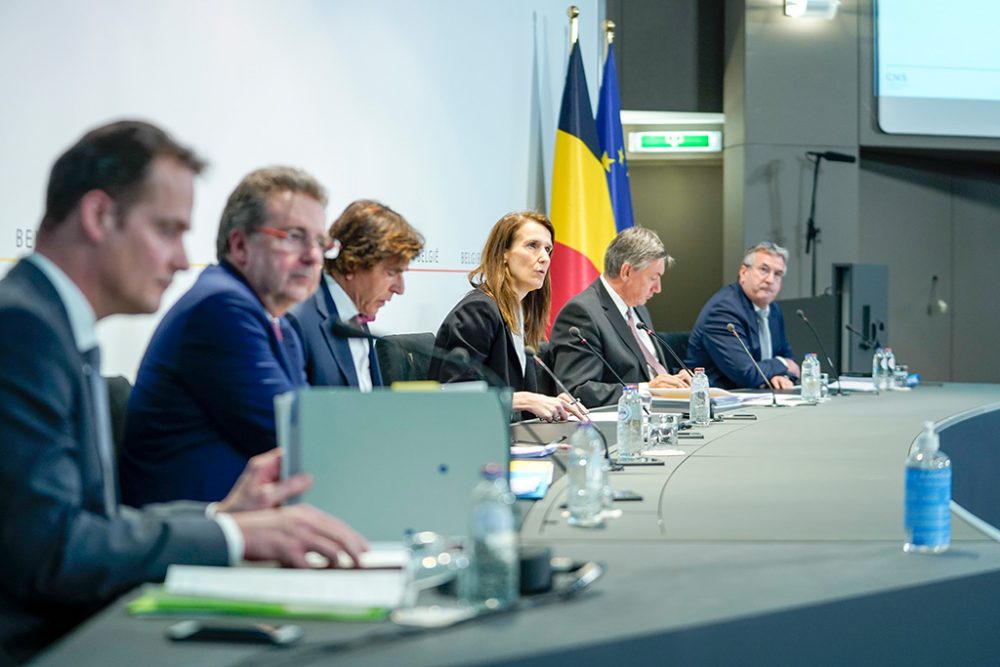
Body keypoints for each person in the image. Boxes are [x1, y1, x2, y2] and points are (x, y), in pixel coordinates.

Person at [0, 121, 367, 663]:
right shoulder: (24, 330)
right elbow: (50, 550)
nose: (180, 258)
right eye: (168, 230)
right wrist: (236, 538)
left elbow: (87, 525)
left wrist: (220, 517)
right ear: (99, 216)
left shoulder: (54, 325)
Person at [120, 166, 332, 506]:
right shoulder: (221, 307)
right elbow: (295, 438)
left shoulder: (280, 323)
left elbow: (308, 428)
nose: (313, 256)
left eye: (320, 242)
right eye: (294, 236)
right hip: (190, 538)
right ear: (240, 245)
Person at [428, 211, 587, 422]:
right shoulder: (478, 310)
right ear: (504, 253)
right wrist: (524, 400)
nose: (544, 258)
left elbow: (517, 396)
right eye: (532, 246)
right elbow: (455, 396)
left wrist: (552, 404)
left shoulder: (519, 312)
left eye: (548, 249)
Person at [287, 199, 424, 389]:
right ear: (352, 264)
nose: (400, 289)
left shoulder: (356, 315)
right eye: (391, 273)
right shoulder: (296, 321)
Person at [549, 227, 691, 408]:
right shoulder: (582, 313)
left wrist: (675, 382)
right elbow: (577, 390)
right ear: (626, 272)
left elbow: (649, 373)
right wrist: (646, 389)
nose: (658, 288)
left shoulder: (639, 309)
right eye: (653, 278)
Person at [685, 241, 800, 389]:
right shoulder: (723, 311)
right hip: (719, 401)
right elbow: (747, 373)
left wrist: (781, 375)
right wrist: (783, 365)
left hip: (756, 398)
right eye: (764, 270)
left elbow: (789, 360)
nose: (770, 280)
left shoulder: (773, 310)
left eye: (778, 274)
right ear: (743, 272)